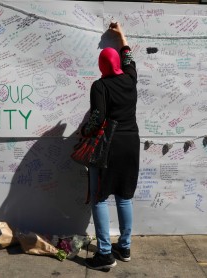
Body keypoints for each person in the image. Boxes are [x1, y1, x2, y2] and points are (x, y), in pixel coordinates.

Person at [83, 22, 140, 271]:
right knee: (124, 197)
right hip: (131, 143)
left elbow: (98, 117)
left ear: (101, 66)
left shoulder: (100, 86)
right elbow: (128, 57)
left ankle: (105, 254)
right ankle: (124, 247)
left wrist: (85, 131)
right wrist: (121, 35)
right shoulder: (130, 79)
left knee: (99, 197)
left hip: (109, 146)